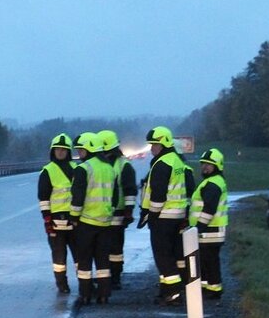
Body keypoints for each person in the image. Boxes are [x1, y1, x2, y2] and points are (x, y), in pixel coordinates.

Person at [137, 125, 189, 305]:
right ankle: (166, 290)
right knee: (171, 254)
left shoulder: (162, 164)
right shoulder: (176, 161)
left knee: (163, 256)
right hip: (177, 215)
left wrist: (152, 215)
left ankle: (173, 293)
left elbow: (158, 194)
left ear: (164, 144)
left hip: (163, 217)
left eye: (154, 145)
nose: (152, 148)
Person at [69, 132, 118, 304]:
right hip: (105, 222)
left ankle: (86, 294)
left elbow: (78, 196)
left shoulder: (83, 169)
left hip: (87, 222)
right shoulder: (109, 168)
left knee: (84, 260)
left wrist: (74, 217)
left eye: (81, 150)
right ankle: (104, 294)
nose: (79, 153)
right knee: (103, 260)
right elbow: (115, 196)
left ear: (89, 149)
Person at [37, 133, 77, 293]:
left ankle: (85, 283)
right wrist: (47, 219)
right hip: (56, 222)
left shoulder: (77, 169)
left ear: (68, 151)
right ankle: (62, 284)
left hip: (75, 220)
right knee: (59, 257)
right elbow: (43, 198)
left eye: (64, 149)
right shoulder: (47, 171)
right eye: (57, 149)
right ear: (53, 151)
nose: (60, 152)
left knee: (80, 255)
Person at [98, 130, 137, 289]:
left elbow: (130, 191)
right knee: (103, 248)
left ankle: (115, 277)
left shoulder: (123, 165)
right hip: (101, 214)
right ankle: (106, 276)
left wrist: (128, 211)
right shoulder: (103, 164)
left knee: (115, 249)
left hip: (117, 213)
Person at [189, 148, 229, 301]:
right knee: (207, 261)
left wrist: (198, 227)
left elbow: (209, 209)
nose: (204, 167)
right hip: (211, 230)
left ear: (217, 166)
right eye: (203, 164)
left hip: (209, 231)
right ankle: (208, 288)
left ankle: (214, 289)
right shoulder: (213, 181)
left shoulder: (212, 184)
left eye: (209, 164)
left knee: (210, 261)